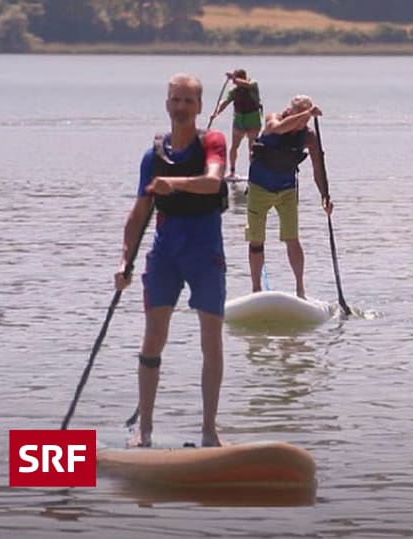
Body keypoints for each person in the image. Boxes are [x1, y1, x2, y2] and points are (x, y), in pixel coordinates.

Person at [115, 73, 228, 448]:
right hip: (165, 254)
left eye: (188, 101)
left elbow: (213, 182)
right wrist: (124, 262)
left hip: (204, 251)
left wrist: (174, 185)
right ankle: (144, 431)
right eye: (175, 100)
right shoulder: (153, 157)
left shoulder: (212, 142)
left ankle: (209, 430)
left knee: (211, 342)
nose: (181, 107)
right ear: (167, 104)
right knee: (154, 339)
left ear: (198, 107)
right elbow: (137, 214)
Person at [246, 94, 332, 297]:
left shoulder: (309, 135)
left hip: (286, 189)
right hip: (259, 187)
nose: (302, 123)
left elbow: (318, 167)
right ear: (288, 112)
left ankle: (300, 289)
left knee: (292, 238)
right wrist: (306, 114)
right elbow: (278, 129)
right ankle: (256, 289)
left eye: (306, 120)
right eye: (299, 117)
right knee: (256, 240)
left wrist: (325, 196)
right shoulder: (272, 119)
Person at [210, 68, 262, 178]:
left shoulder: (253, 84)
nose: (235, 82)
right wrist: (216, 112)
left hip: (253, 120)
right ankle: (232, 171)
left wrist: (234, 78)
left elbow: (247, 84)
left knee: (252, 148)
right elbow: (225, 102)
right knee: (234, 146)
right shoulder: (234, 91)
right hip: (239, 121)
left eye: (237, 79)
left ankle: (254, 172)